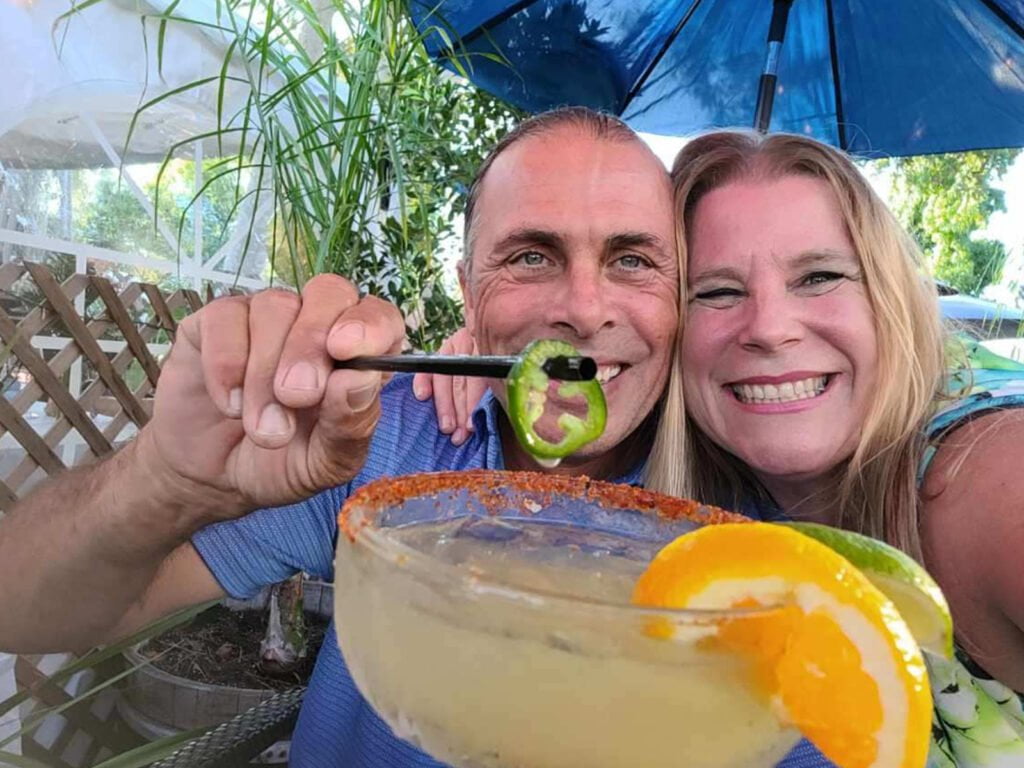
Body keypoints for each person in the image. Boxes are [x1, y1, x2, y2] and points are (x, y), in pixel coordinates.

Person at [0, 107, 724, 767]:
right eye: (531, 256)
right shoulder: (374, 438)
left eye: (633, 260)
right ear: (469, 291)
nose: (584, 308)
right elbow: (22, 610)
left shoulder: (749, 536)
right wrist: (163, 480)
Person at [422, 128, 1024, 766]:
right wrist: (502, 345)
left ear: (891, 297)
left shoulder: (982, 482)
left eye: (819, 276)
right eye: (716, 291)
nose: (768, 328)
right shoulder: (691, 499)